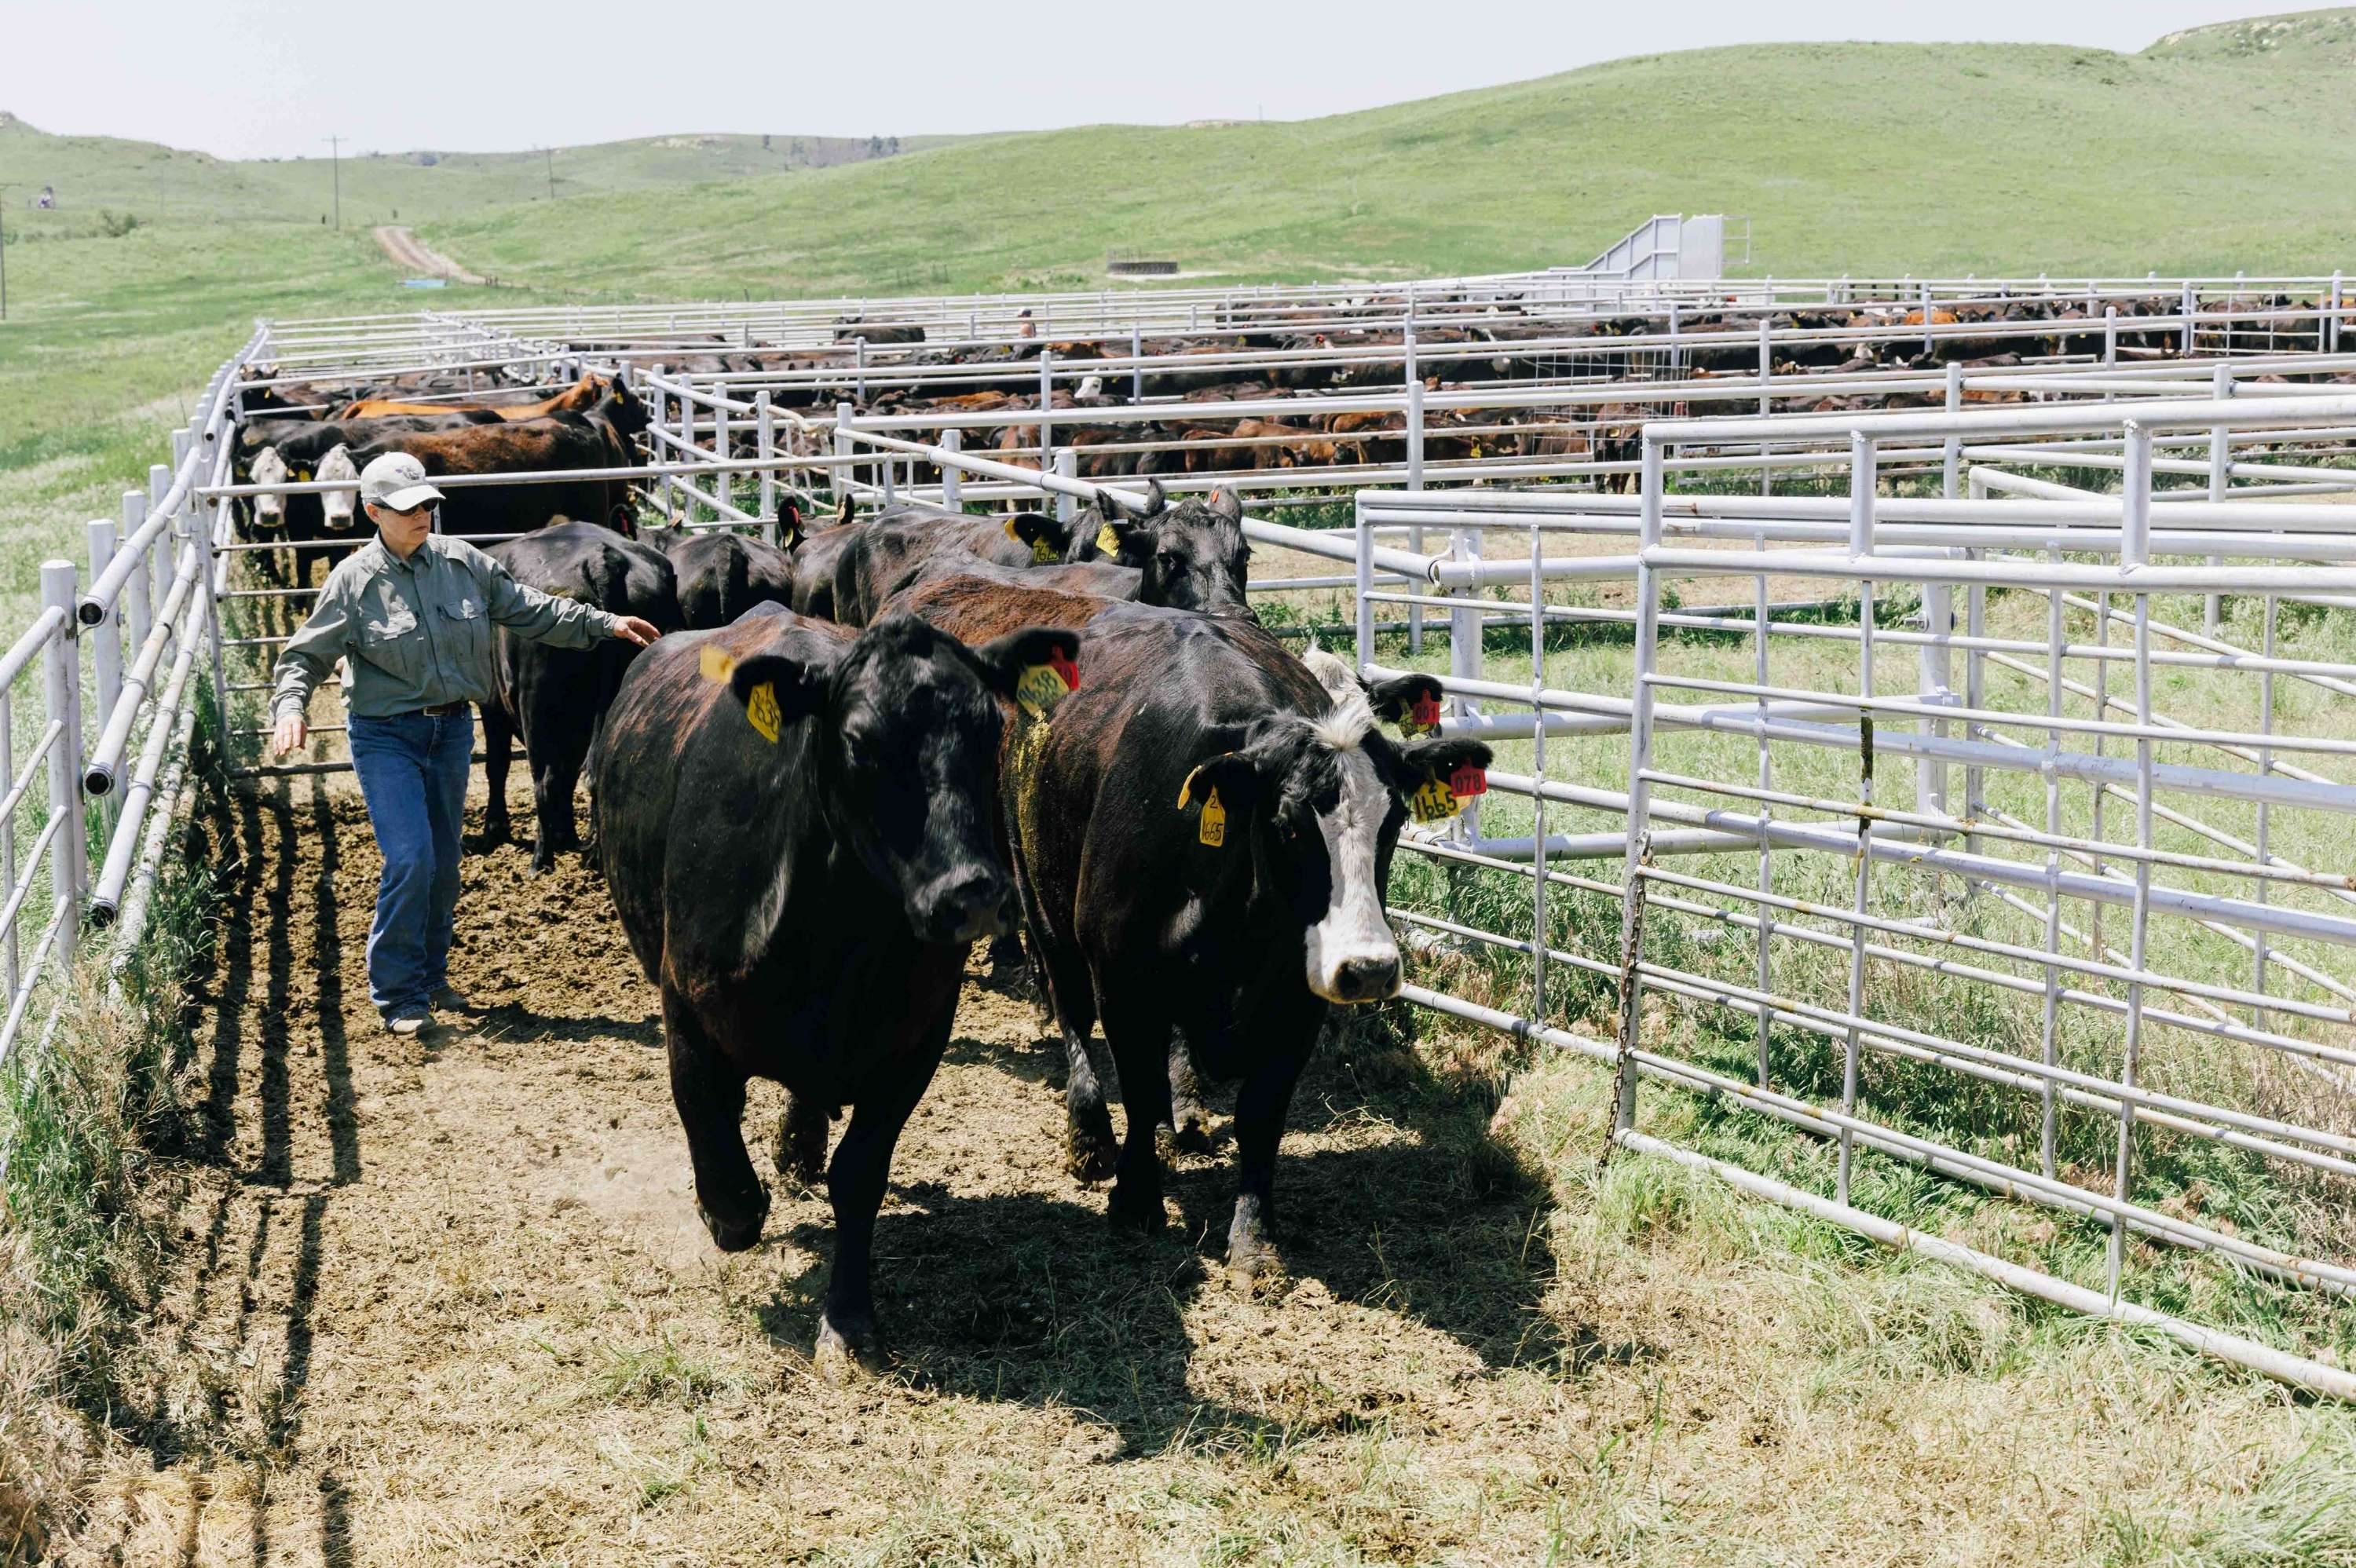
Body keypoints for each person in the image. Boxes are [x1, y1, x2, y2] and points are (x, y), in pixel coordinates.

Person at [269, 452, 661, 1036]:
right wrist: (290, 707)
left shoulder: (462, 562)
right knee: (410, 857)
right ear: (373, 511)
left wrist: (605, 624)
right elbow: (303, 656)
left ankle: (431, 977)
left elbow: (530, 609)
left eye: (427, 503)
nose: (423, 515)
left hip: (450, 730)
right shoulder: (352, 582)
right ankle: (398, 993)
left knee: (445, 863)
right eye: (407, 508)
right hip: (385, 737)